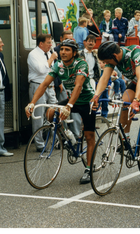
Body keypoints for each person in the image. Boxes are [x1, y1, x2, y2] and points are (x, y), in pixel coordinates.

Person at [25, 39, 97, 184]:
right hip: (71, 100)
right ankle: (68, 135)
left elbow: (78, 86)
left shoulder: (81, 64)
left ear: (74, 53)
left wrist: (69, 106)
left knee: (89, 136)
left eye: (67, 50)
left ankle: (89, 169)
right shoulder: (58, 65)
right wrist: (32, 103)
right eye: (62, 49)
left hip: (85, 101)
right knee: (50, 113)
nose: (63, 52)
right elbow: (44, 84)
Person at [92, 42, 140, 151]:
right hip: (137, 83)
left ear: (115, 56)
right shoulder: (113, 57)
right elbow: (104, 78)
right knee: (124, 102)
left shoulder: (136, 53)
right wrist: (96, 96)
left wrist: (136, 100)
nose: (107, 64)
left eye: (107, 62)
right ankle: (125, 140)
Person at [27, 34, 58, 152]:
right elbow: (41, 69)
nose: (51, 45)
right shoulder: (33, 54)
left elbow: (51, 70)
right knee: (38, 116)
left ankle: (53, 140)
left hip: (50, 87)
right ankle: (39, 144)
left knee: (54, 112)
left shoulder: (48, 53)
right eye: (49, 43)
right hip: (38, 85)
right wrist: (51, 59)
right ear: (41, 43)